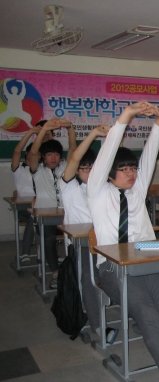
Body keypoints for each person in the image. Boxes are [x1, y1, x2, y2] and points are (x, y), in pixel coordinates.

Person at [87, 102, 159, 381]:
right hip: (111, 264)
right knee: (147, 313)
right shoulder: (97, 192)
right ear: (109, 173)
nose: (132, 173)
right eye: (124, 169)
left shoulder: (137, 191)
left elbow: (150, 155)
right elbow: (105, 155)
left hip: (144, 253)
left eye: (132, 168)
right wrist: (125, 118)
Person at [59, 124, 112, 340]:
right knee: (89, 280)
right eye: (84, 168)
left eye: (92, 168)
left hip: (103, 242)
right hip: (80, 244)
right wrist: (93, 135)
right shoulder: (69, 186)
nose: (88, 173)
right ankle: (98, 327)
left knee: (117, 276)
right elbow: (73, 159)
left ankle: (132, 313)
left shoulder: (101, 188)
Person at [28, 118, 76, 288]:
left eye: (56, 154)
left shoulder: (65, 166)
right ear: (44, 157)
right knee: (48, 240)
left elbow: (72, 149)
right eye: (49, 154)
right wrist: (44, 130)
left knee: (76, 239)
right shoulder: (37, 170)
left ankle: (75, 272)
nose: (53, 157)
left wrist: (70, 128)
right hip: (45, 215)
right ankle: (55, 273)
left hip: (65, 213)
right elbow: (33, 153)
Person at [10, 122, 51, 263]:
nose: (33, 156)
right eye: (31, 154)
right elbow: (16, 151)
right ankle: (25, 253)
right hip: (24, 207)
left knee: (39, 218)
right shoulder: (18, 169)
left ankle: (44, 255)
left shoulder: (41, 170)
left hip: (40, 205)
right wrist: (31, 132)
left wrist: (46, 134)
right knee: (33, 219)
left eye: (38, 154)